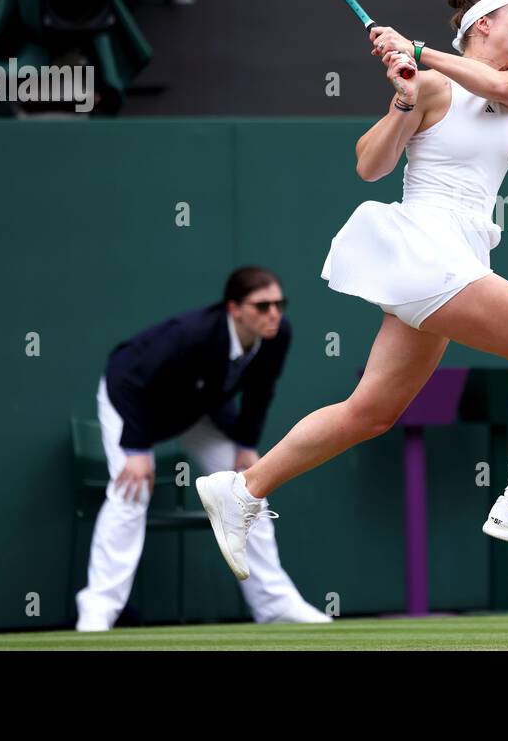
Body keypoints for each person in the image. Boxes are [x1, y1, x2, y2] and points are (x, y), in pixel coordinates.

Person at [195, 0, 508, 583]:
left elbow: (497, 87)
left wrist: (419, 50)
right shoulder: (430, 85)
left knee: (371, 412)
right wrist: (405, 100)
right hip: (427, 249)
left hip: (455, 255)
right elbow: (370, 166)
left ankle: (243, 489)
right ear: (482, 23)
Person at [75, 266, 328, 631]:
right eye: (262, 306)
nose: (273, 313)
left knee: (250, 489)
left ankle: (275, 604)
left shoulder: (277, 334)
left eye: (279, 304)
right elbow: (127, 378)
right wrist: (136, 448)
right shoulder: (191, 335)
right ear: (234, 309)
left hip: (198, 410)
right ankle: (98, 609)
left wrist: (245, 444)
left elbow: (261, 391)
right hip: (132, 400)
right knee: (131, 491)